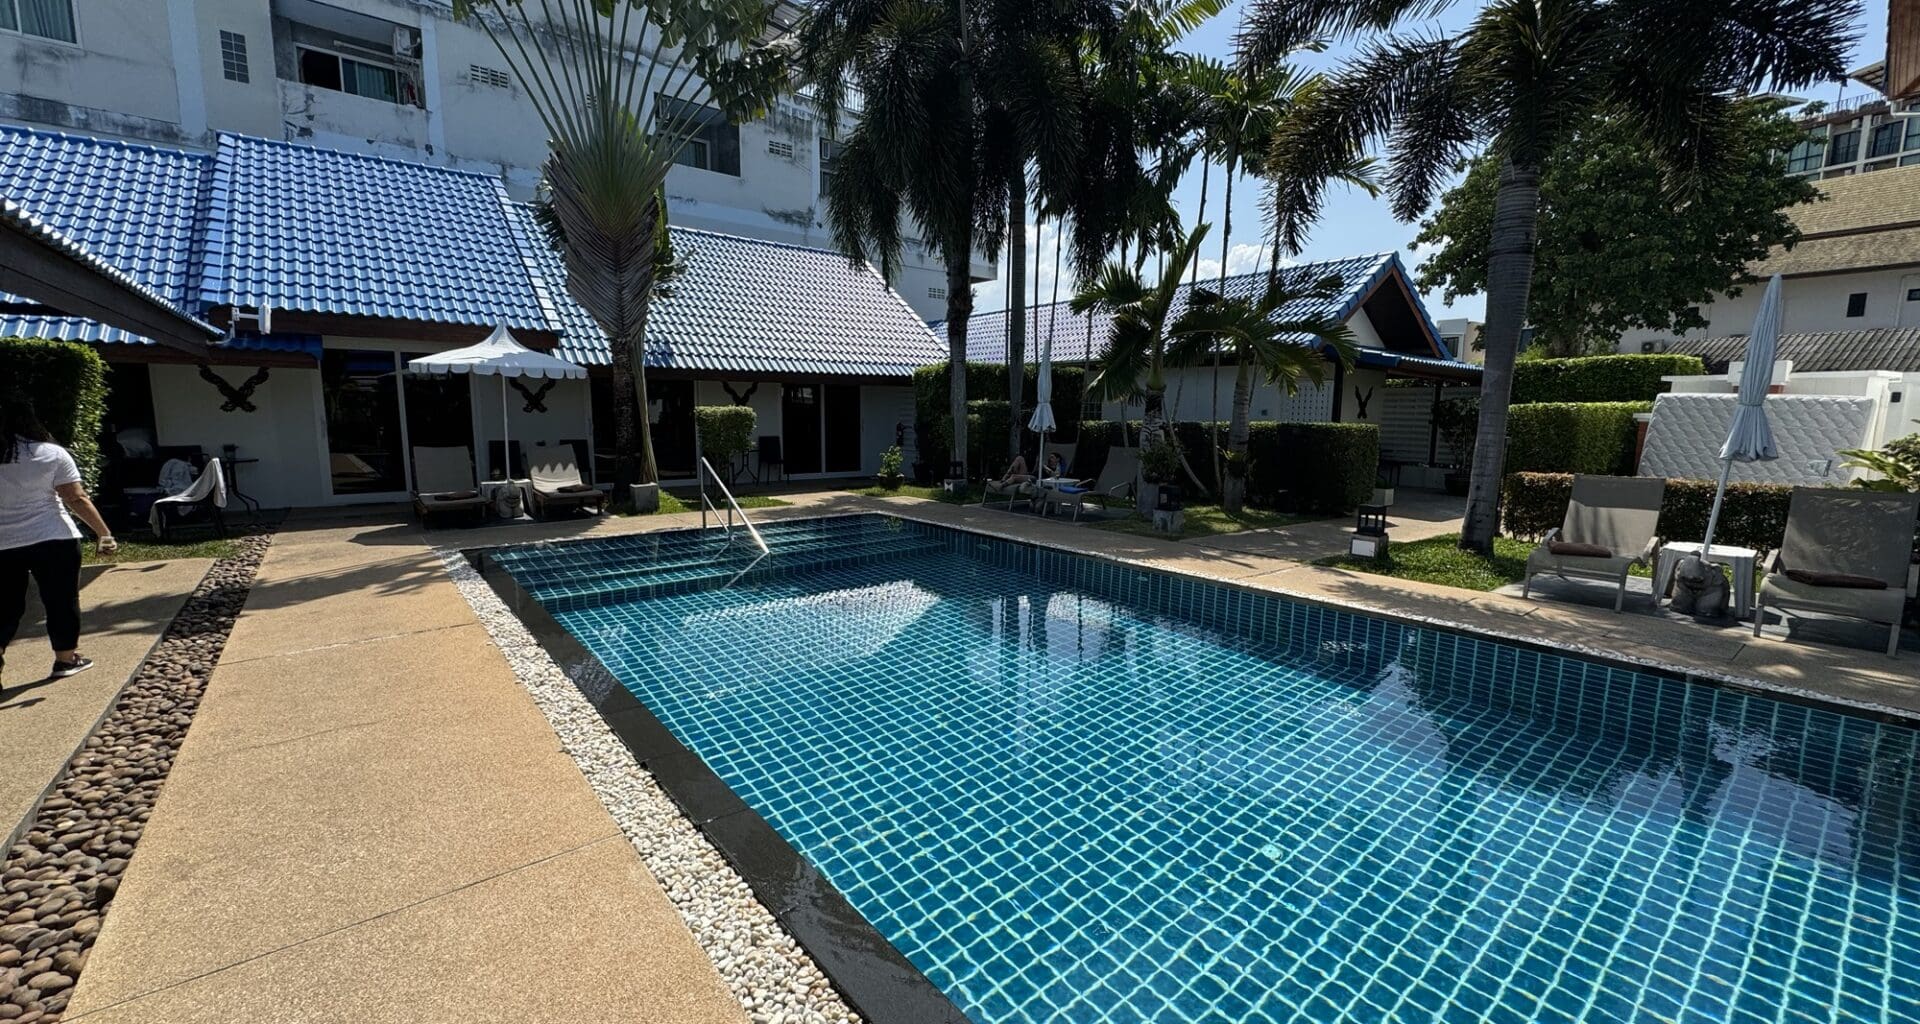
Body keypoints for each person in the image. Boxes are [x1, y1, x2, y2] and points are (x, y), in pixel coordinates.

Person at [1, 393, 117, 685]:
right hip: (53, 538)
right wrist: (103, 533)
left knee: (4, 605)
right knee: (61, 599)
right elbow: (76, 498)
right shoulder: (50, 453)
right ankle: (66, 659)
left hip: (2, 545)